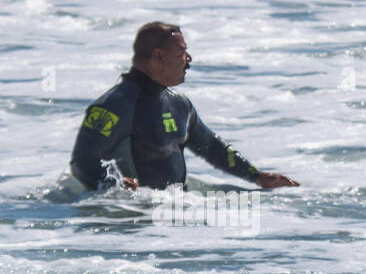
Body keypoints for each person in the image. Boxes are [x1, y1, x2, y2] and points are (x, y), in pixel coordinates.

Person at [69, 22, 298, 191]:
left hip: (170, 216)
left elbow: (212, 146)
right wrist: (115, 185)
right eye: (181, 53)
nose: (188, 59)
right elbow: (82, 161)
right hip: (129, 221)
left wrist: (256, 176)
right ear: (158, 56)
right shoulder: (115, 105)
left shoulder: (179, 104)